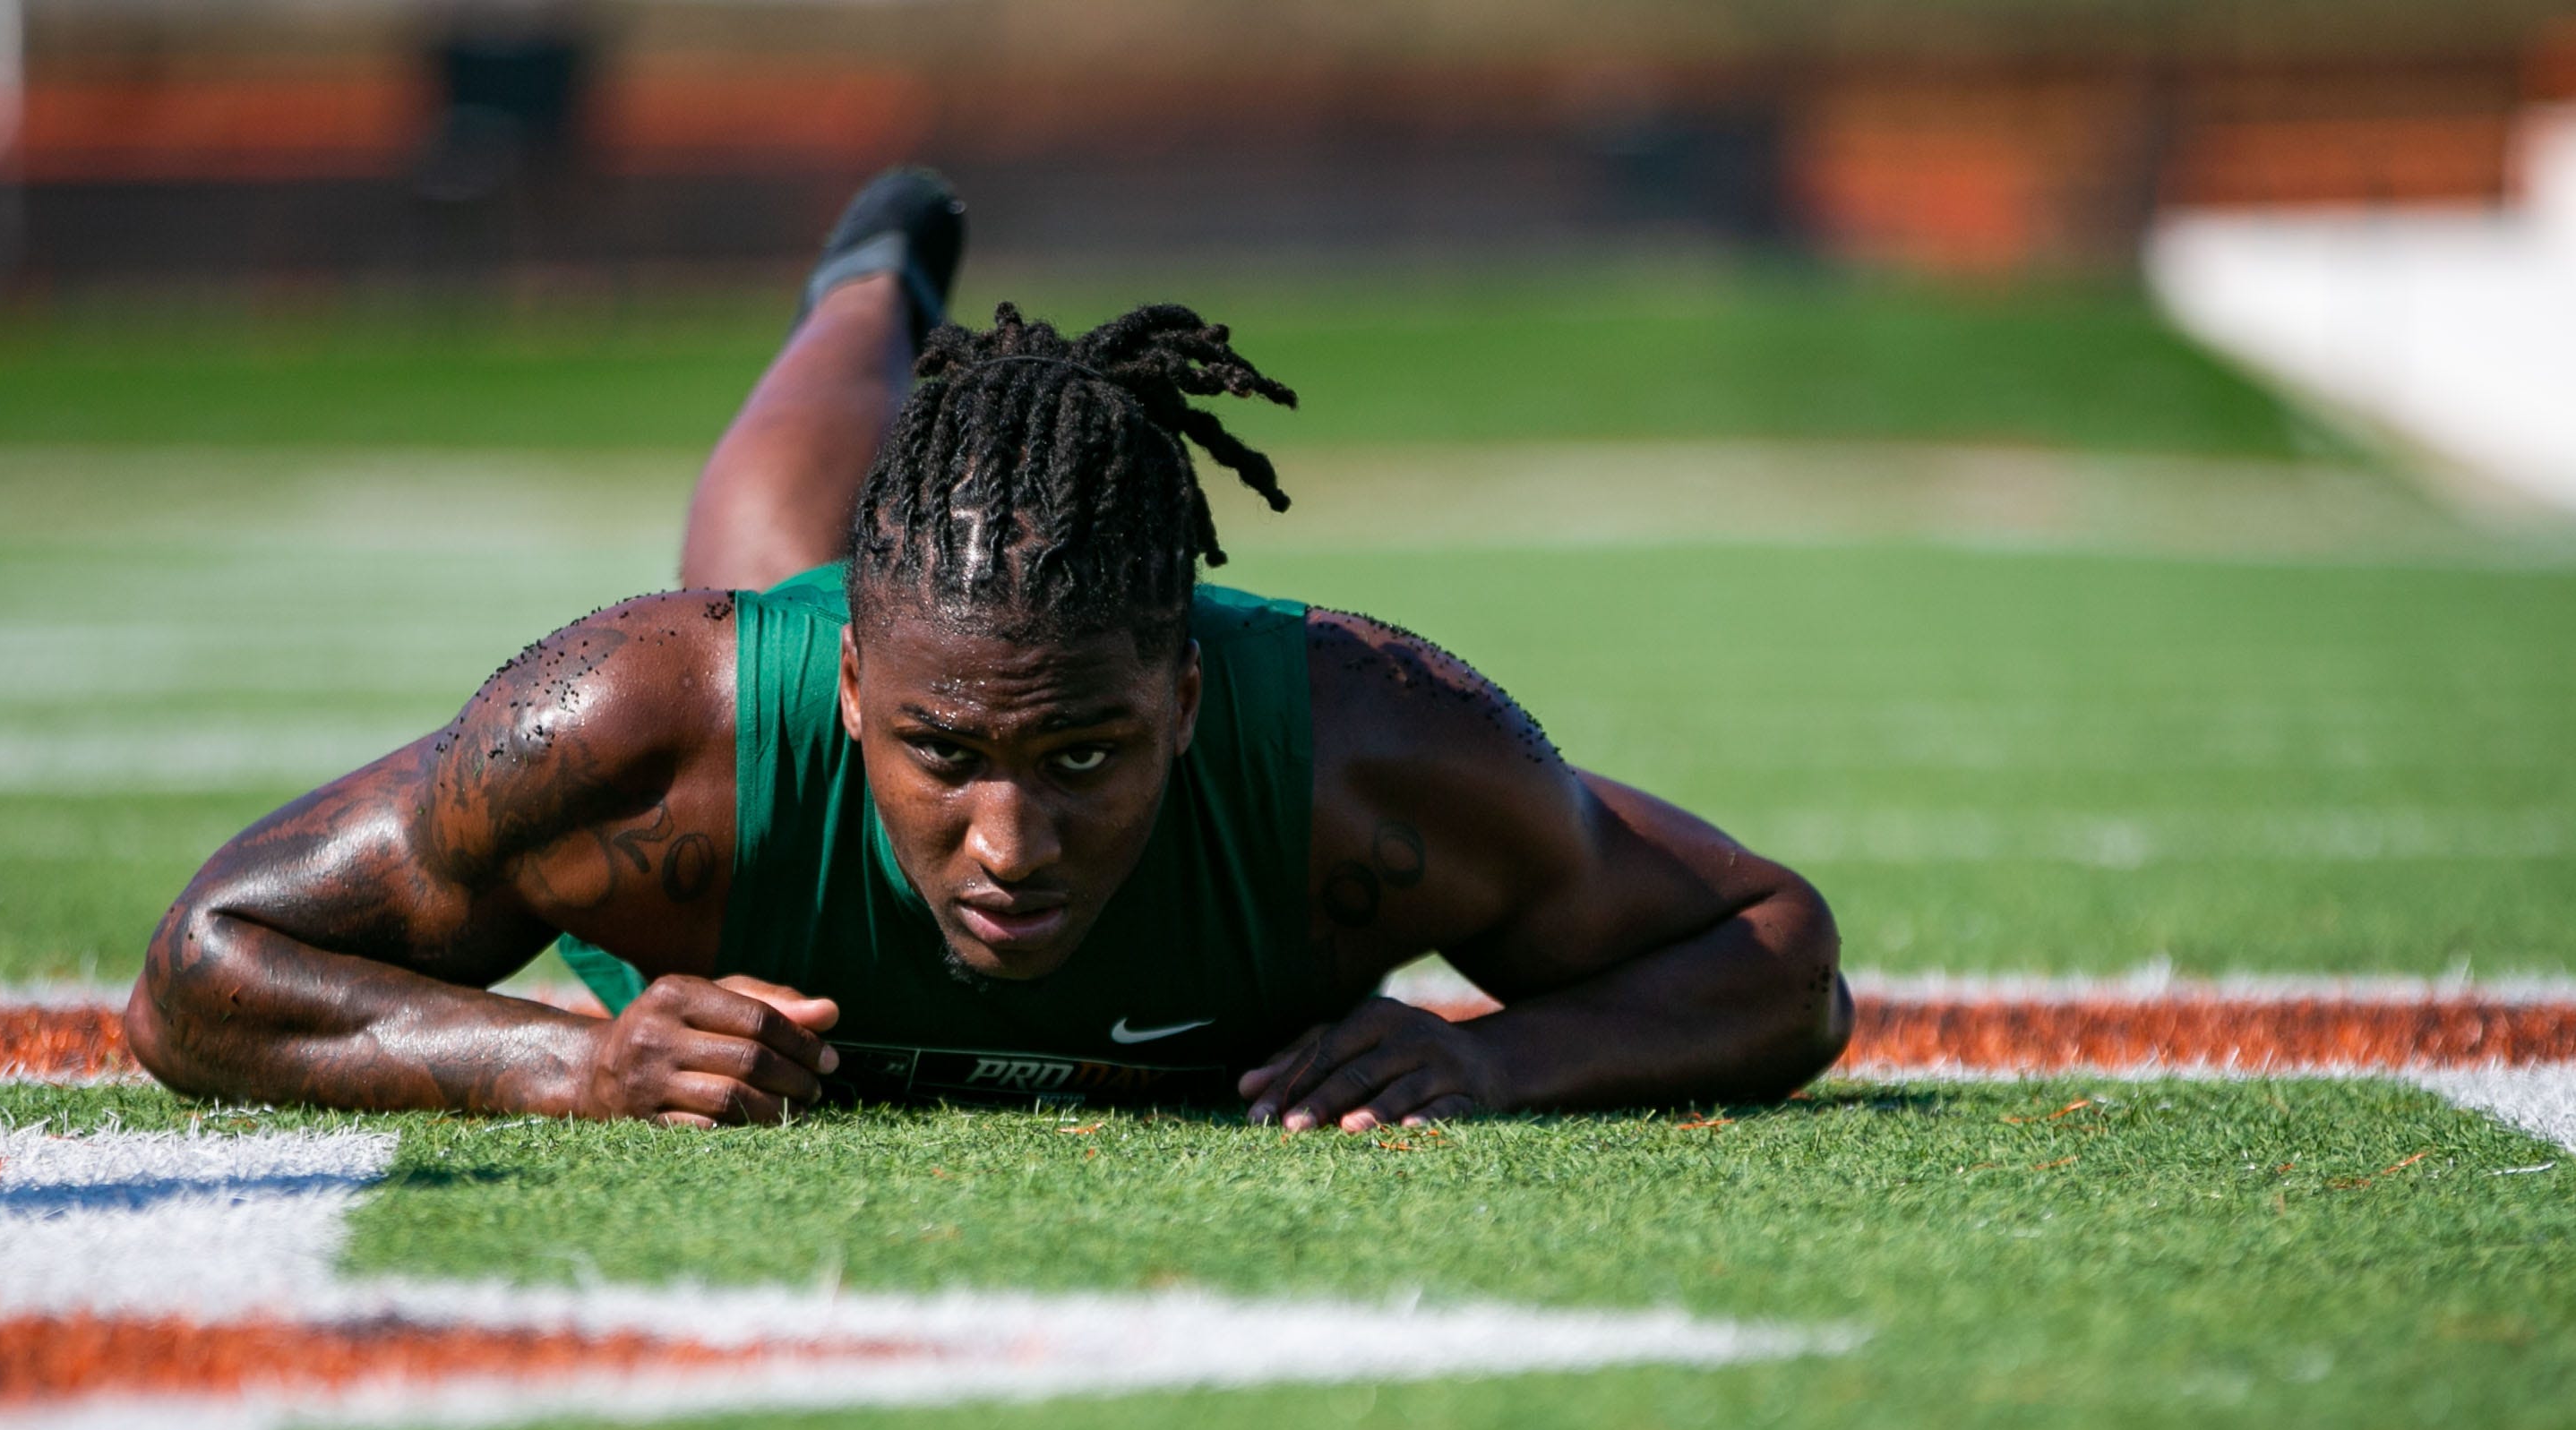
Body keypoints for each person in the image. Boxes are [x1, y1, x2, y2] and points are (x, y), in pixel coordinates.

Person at [125, 168, 1850, 1130]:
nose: (1010, 844)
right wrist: (568, 1060)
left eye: (1086, 756)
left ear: (1184, 699)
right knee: (756, 575)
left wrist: (1496, 1057)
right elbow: (200, 969)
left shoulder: (1367, 754)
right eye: (945, 756)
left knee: (797, 589)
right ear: (860, 696)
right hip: (774, 659)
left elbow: (1784, 954)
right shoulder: (666, 731)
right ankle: (869, 289)